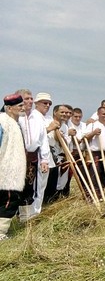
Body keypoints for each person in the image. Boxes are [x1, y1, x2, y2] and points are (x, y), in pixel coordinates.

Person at [15, 90, 50, 222]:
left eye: (31, 98)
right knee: (13, 188)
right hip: (16, 158)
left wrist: (44, 159)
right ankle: (9, 217)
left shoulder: (37, 118)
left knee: (29, 188)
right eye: (26, 98)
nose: (29, 101)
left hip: (32, 158)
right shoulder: (15, 116)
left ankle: (25, 218)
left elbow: (43, 140)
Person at [0, 94, 27, 240]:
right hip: (6, 168)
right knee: (8, 200)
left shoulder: (14, 123)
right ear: (9, 108)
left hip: (12, 168)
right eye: (20, 106)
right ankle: (0, 232)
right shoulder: (3, 122)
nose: (23, 108)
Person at [84, 106, 105, 199]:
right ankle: (94, 195)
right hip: (96, 153)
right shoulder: (92, 125)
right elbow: (84, 138)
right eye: (103, 114)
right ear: (98, 114)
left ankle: (101, 193)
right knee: (95, 174)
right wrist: (93, 133)